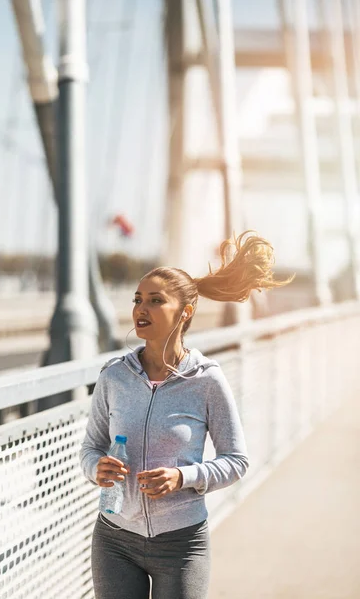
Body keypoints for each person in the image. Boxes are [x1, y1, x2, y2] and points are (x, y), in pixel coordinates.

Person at [80, 231, 292, 599]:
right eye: (138, 300)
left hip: (181, 544)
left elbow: (237, 460)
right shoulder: (114, 376)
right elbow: (90, 448)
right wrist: (95, 467)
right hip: (114, 538)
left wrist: (183, 477)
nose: (140, 310)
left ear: (185, 311)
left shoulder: (206, 379)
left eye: (155, 300)